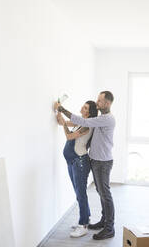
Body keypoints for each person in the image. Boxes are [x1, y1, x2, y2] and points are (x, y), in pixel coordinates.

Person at [54, 91, 116, 240]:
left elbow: (82, 125)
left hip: (102, 162)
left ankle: (109, 228)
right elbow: (73, 122)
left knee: (105, 194)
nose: (97, 102)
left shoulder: (106, 119)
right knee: (100, 193)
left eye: (100, 101)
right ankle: (102, 221)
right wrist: (60, 116)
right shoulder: (99, 118)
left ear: (107, 103)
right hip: (94, 160)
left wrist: (61, 109)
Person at [55, 100, 98, 238]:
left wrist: (63, 121)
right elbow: (64, 123)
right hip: (72, 161)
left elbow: (69, 136)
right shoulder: (81, 122)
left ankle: (83, 225)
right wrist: (59, 116)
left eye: (85, 107)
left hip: (80, 162)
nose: (81, 108)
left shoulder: (87, 126)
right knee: (78, 192)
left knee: (81, 193)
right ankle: (86, 218)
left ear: (89, 112)